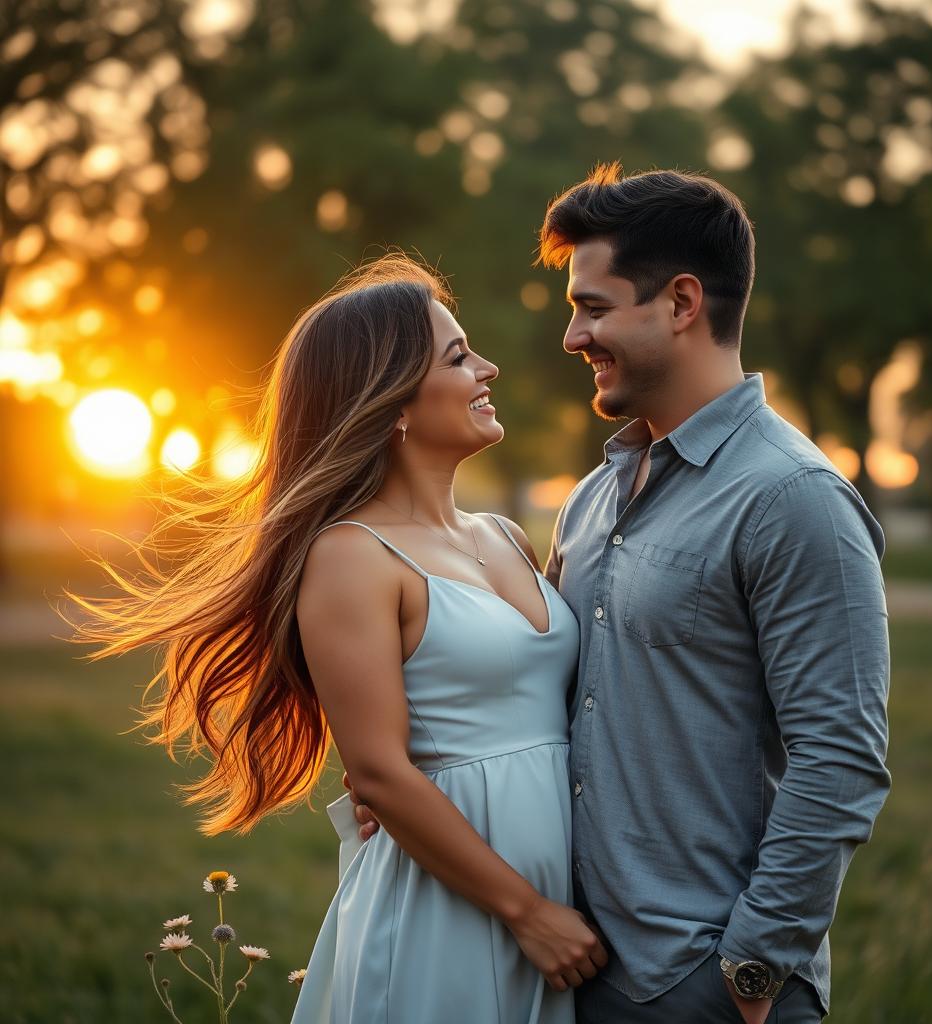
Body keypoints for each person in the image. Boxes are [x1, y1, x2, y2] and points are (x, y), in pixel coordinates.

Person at [353, 166, 891, 1023]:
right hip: (569, 970)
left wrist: (749, 976)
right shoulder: (595, 495)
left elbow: (841, 758)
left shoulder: (794, 500)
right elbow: (545, 689)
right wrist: (409, 774)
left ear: (682, 303)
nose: (573, 337)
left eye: (593, 308)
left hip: (704, 983)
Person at [64, 255, 606, 1024]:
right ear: (391, 405)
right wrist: (527, 913)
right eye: (457, 358)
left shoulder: (508, 536)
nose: (486, 368)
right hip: (458, 906)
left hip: (559, 896)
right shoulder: (351, 555)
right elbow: (379, 774)